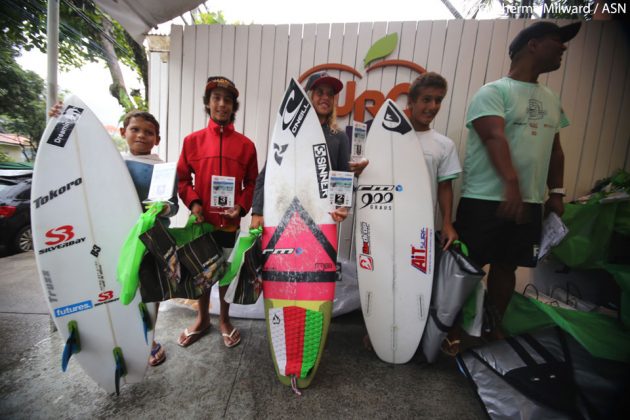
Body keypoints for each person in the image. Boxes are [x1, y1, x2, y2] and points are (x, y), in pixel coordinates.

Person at [454, 21, 581, 343]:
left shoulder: (551, 98)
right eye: (557, 41)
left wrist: (557, 193)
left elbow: (556, 150)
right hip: (485, 199)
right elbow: (493, 136)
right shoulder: (493, 92)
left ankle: (492, 328)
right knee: (467, 266)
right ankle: (450, 328)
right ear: (533, 45)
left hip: (530, 202)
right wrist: (512, 184)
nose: (564, 47)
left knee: (507, 266)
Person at [48, 104, 178, 366]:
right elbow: (76, 153)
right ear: (123, 132)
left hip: (150, 241)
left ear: (157, 139)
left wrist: (161, 207)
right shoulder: (110, 162)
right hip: (113, 240)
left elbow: (172, 205)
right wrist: (61, 120)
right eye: (135, 129)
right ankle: (122, 337)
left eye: (149, 132)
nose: (141, 135)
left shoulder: (162, 168)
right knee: (115, 290)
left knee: (148, 292)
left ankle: (149, 339)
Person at [362, 72, 462, 352]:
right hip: (385, 222)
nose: (432, 106)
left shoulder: (443, 144)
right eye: (426, 99)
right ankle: (379, 330)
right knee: (382, 277)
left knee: (414, 280)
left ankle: (410, 335)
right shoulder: (384, 138)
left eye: (438, 100)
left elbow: (445, 187)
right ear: (412, 101)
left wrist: (448, 224)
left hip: (420, 227)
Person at [176, 76, 258, 348]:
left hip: (229, 225)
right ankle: (202, 319)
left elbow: (254, 183)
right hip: (202, 222)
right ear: (208, 103)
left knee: (224, 273)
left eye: (227, 99)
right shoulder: (192, 142)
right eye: (216, 98)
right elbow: (182, 180)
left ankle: (224, 319)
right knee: (202, 273)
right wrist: (194, 203)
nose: (221, 104)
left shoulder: (246, 145)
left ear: (234, 106)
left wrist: (242, 207)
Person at [250, 71, 366, 227]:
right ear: (309, 96)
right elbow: (268, 174)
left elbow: (343, 179)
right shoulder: (290, 133)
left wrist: (343, 206)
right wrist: (257, 212)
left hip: (321, 220)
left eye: (330, 94)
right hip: (284, 216)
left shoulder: (339, 137)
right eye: (320, 92)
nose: (325, 97)